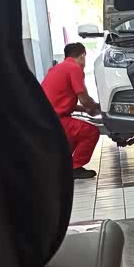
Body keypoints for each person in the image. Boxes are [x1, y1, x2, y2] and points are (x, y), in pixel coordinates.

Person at [41, 43, 101, 180]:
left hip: (45, 118)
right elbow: (83, 96)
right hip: (56, 120)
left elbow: (61, 102)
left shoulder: (56, 69)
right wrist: (94, 108)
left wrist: (87, 108)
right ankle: (75, 167)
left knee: (72, 136)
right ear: (83, 55)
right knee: (90, 132)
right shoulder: (74, 68)